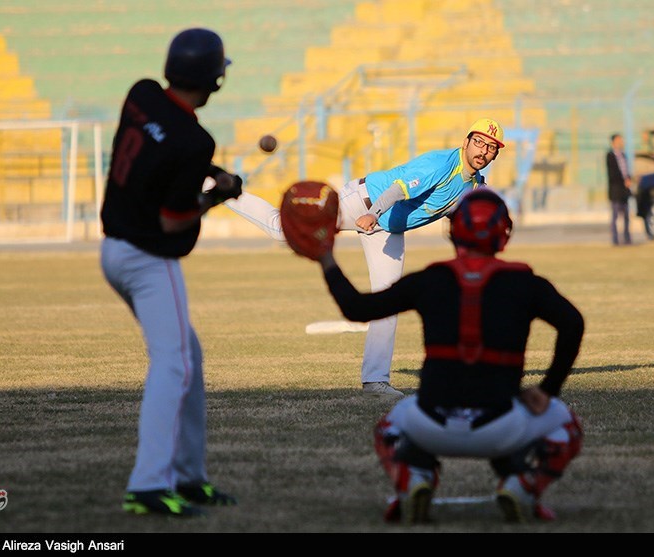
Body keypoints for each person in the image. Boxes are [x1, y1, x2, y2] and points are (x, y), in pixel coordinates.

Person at [301, 186, 584, 524]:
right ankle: (522, 484)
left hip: (429, 422)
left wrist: (326, 258)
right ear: (504, 233)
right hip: (503, 423)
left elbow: (357, 308)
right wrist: (548, 389)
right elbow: (573, 324)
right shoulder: (526, 282)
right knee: (568, 425)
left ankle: (414, 479)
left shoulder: (431, 279)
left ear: (453, 231)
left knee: (387, 428)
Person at [227, 118, 506, 398]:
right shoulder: (441, 164)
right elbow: (398, 188)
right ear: (466, 141)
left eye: (491, 147)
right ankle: (223, 190)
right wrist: (373, 214)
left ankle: (375, 382)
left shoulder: (474, 186)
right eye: (479, 142)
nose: (483, 150)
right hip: (364, 202)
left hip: (387, 229)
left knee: (389, 301)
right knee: (280, 230)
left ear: (495, 154)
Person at [99, 27, 242, 517]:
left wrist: (207, 167)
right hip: (147, 258)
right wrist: (216, 196)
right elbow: (173, 219)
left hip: (112, 250)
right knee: (174, 364)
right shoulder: (195, 140)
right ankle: (149, 484)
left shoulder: (141, 94)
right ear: (213, 80)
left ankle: (188, 475)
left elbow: (165, 145)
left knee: (188, 358)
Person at [606, 133, 633, 246]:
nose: (621, 142)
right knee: (615, 216)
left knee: (626, 216)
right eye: (619, 140)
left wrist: (629, 179)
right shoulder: (610, 156)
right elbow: (613, 174)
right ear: (613, 142)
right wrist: (624, 181)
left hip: (625, 191)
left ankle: (627, 238)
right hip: (616, 191)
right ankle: (615, 240)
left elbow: (626, 171)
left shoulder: (623, 155)